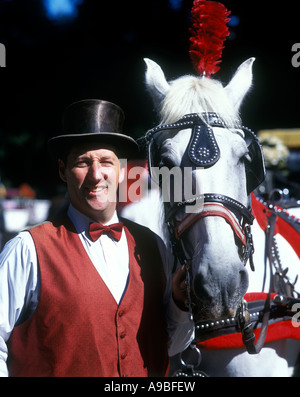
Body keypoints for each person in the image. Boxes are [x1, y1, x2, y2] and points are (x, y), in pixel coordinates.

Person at [0, 99, 194, 377]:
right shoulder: (28, 249)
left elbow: (171, 347)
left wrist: (179, 303)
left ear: (122, 170)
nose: (96, 174)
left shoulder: (153, 247)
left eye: (106, 161)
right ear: (62, 171)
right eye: (82, 162)